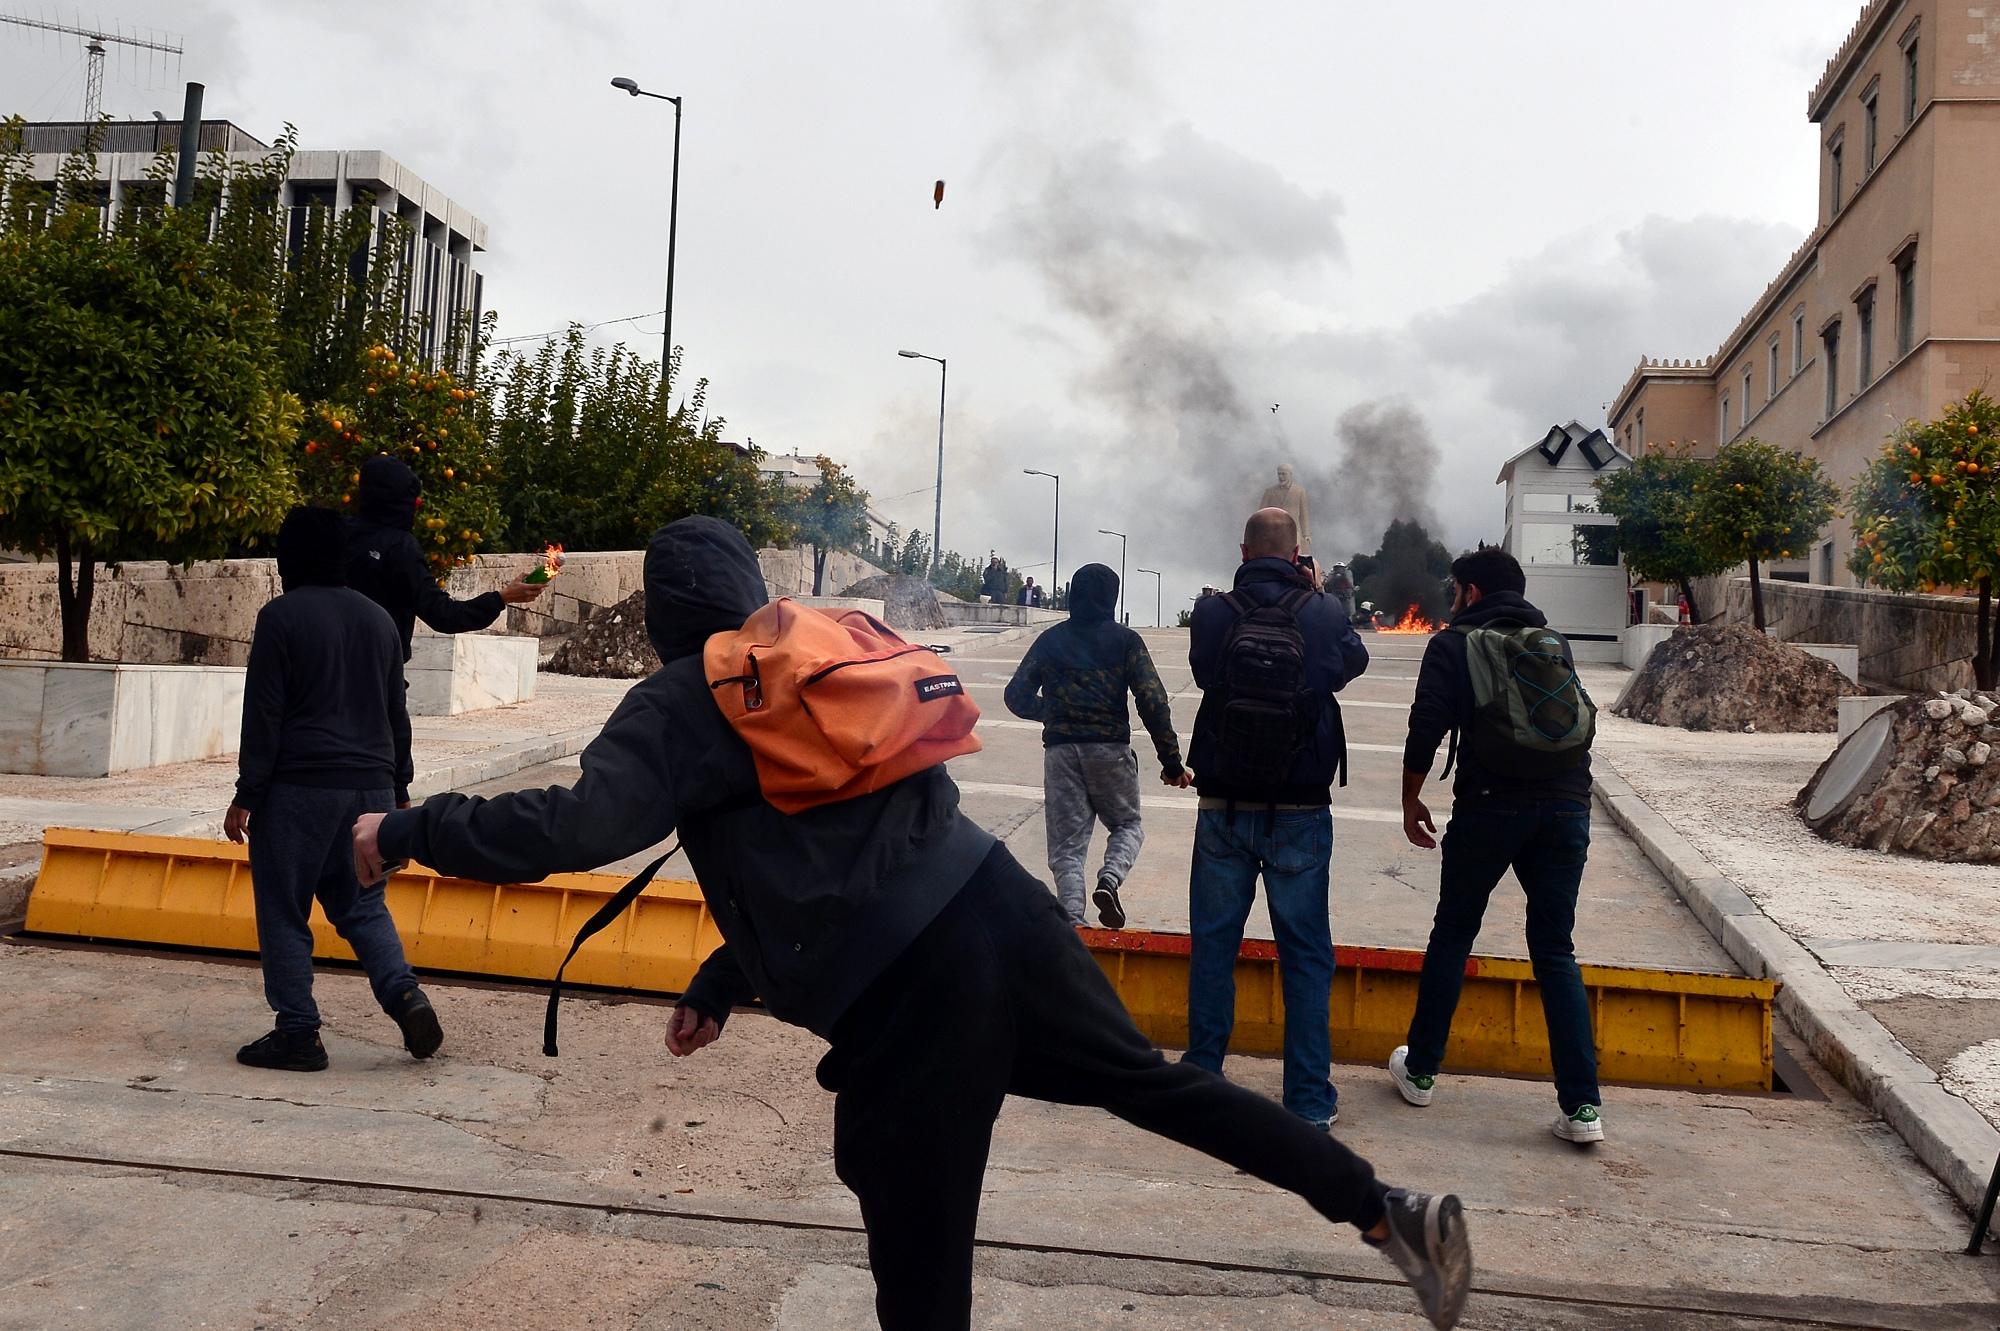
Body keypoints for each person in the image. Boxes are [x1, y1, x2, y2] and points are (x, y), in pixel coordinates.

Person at [351, 517, 1472, 1331]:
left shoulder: (685, 695)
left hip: (910, 992)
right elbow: (828, 844)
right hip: (1000, 904)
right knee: (1156, 1084)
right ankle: (1381, 1205)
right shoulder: (815, 656)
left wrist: (408, 828)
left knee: (914, 1246)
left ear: (662, 612)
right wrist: (720, 975)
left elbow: (571, 826)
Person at [1391, 547, 1604, 1144]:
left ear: (1472, 593)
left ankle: (1423, 1070)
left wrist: (1410, 801)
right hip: (1566, 806)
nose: (1451, 599)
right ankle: (1582, 1108)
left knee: (1455, 933)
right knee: (1555, 950)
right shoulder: (1551, 640)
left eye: (1456, 590)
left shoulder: (1452, 644)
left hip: (1489, 806)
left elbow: (1425, 725)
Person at [225, 507, 443, 1073]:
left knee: (283, 909)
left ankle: (298, 1032)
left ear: (289, 557)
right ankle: (403, 994)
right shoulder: (378, 621)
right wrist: (398, 788)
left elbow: (264, 711)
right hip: (370, 789)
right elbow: (397, 712)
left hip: (299, 790)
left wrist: (247, 792)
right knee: (364, 905)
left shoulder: (280, 617)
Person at [1184, 507, 1368, 1129]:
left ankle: (1204, 1079)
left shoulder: (1212, 612)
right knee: (1306, 953)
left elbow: (1207, 674)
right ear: (1297, 555)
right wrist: (1315, 596)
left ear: (1243, 551)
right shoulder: (1322, 612)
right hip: (1301, 808)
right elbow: (1352, 664)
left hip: (1223, 803)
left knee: (1214, 944)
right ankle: (1309, 1100)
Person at [1004, 563, 1189, 928]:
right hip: (1110, 750)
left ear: (1072, 594)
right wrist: (1172, 763)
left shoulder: (1050, 640)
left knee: (1066, 848)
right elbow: (1152, 701)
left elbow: (1015, 695)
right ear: (1113, 598)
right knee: (1127, 825)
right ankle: (1109, 879)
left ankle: (1073, 920)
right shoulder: (1125, 641)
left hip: (1060, 753)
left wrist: (1054, 713)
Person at [345, 456, 543, 795]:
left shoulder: (336, 536)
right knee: (381, 776)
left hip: (319, 671)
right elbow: (443, 615)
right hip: (376, 677)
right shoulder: (399, 547)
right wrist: (502, 597)